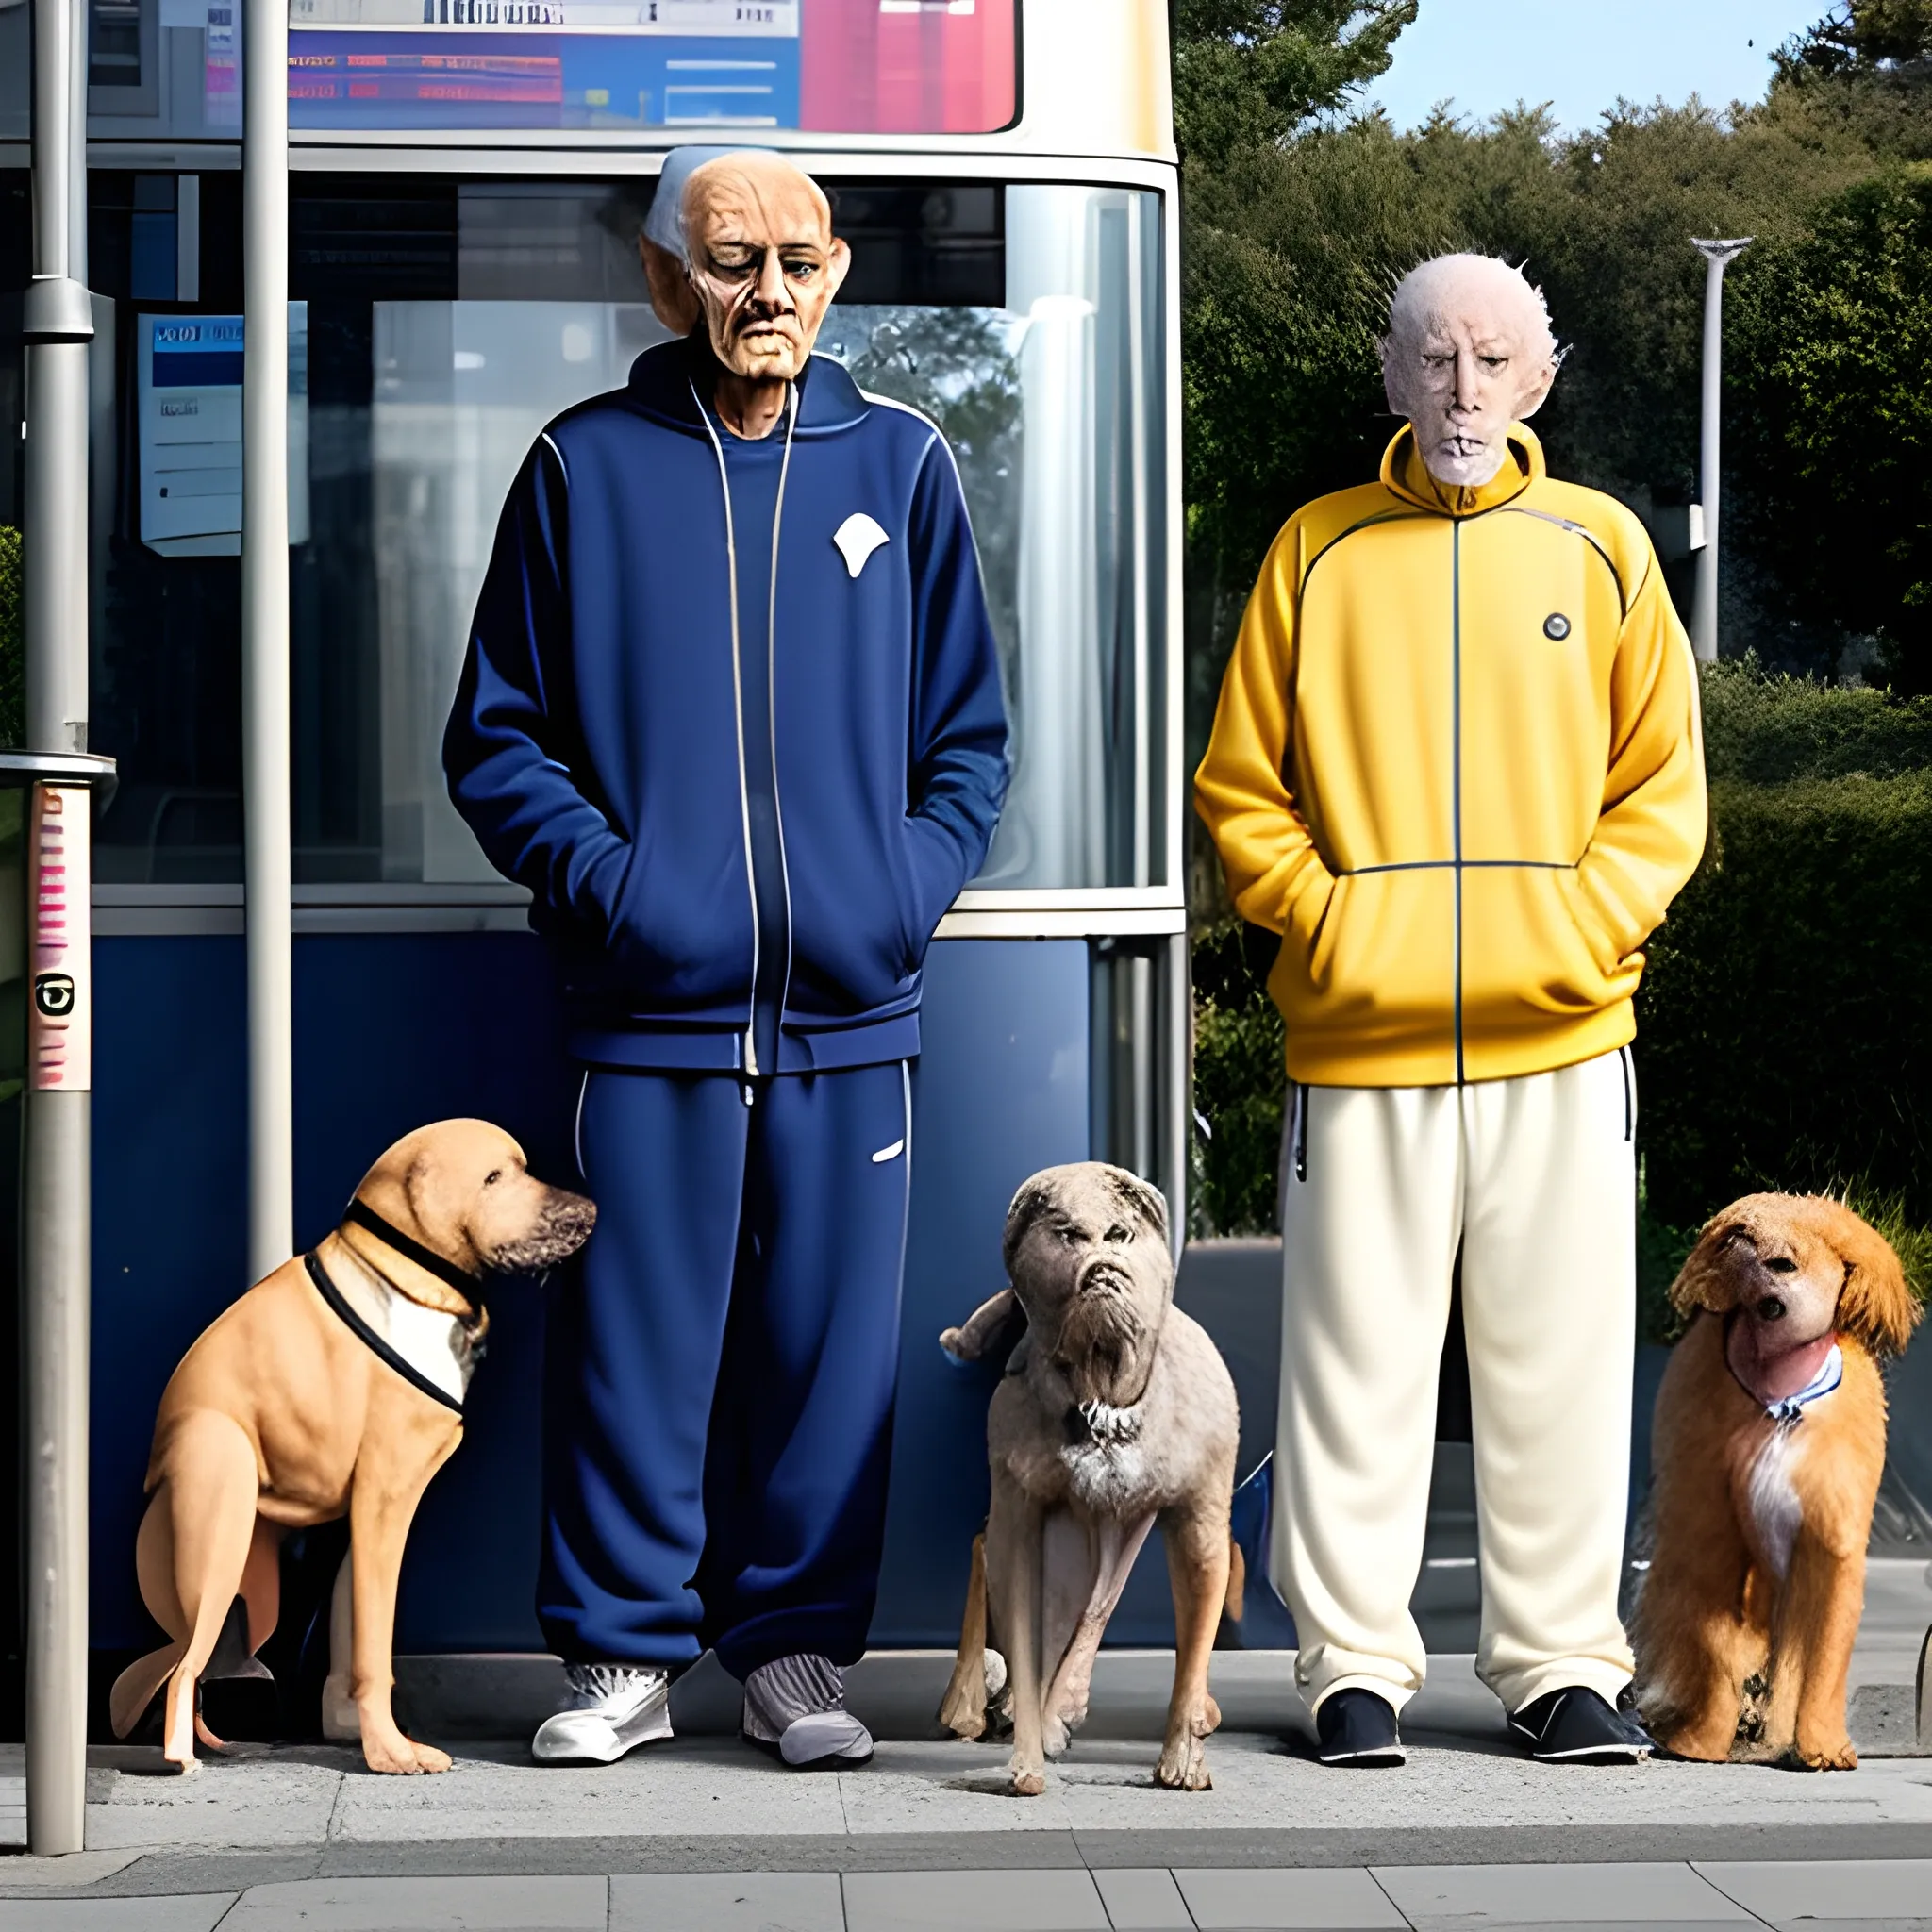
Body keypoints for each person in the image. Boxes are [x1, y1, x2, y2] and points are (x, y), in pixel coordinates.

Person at [443, 148, 1009, 1769]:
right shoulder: (583, 467)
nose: (769, 290)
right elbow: (496, 744)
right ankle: (620, 1658)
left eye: (800, 258)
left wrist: (891, 894)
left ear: (838, 271)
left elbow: (967, 744)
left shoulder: (901, 465)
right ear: (662, 278)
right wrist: (627, 897)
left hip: (856, 1011)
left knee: (828, 1356)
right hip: (649, 1015)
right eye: (731, 259)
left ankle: (795, 1662)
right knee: (636, 1343)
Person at [1195, 254, 1707, 1767]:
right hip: (1361, 1042)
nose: (1466, 388)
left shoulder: (1604, 549)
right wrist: (1343, 931)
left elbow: (1662, 799)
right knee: (1353, 1359)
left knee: (1561, 1356)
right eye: (1437, 357)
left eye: (1495, 360)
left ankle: (1560, 1665)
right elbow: (1242, 794)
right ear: (1393, 373)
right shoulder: (1316, 550)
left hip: (1564, 1038)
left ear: (1540, 380)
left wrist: (1575, 929)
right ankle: (1350, 1665)